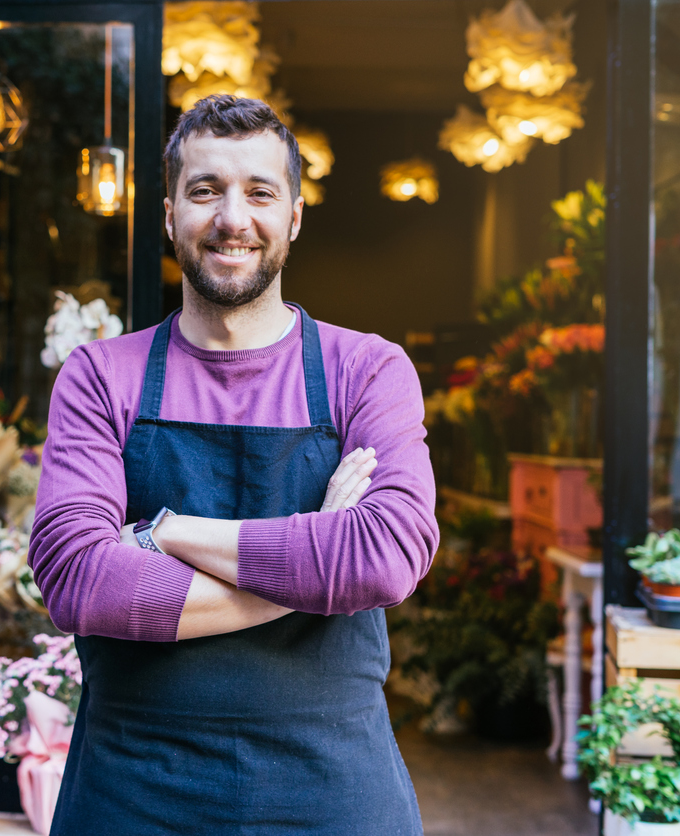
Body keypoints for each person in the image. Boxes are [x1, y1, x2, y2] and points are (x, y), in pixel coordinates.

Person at [28, 94, 438, 834]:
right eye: (205, 190)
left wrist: (166, 534)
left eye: (259, 192)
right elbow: (76, 578)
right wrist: (316, 556)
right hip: (131, 791)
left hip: (331, 790)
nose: (232, 218)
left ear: (295, 217)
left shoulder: (367, 371)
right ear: (168, 214)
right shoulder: (100, 376)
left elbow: (385, 555)